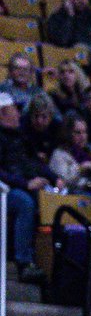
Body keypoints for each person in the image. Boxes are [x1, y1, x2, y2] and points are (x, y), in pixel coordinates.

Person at [0, 92, 53, 282]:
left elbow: (34, 163)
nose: (18, 114)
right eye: (14, 110)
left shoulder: (21, 136)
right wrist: (26, 184)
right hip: (5, 189)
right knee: (24, 202)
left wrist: (54, 177)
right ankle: (24, 262)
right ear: (2, 114)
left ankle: (50, 263)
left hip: (22, 185)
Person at [48, 110, 91, 191]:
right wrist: (84, 166)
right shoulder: (59, 154)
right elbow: (65, 181)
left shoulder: (89, 152)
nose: (83, 137)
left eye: (84, 132)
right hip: (74, 196)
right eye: (78, 132)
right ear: (68, 133)